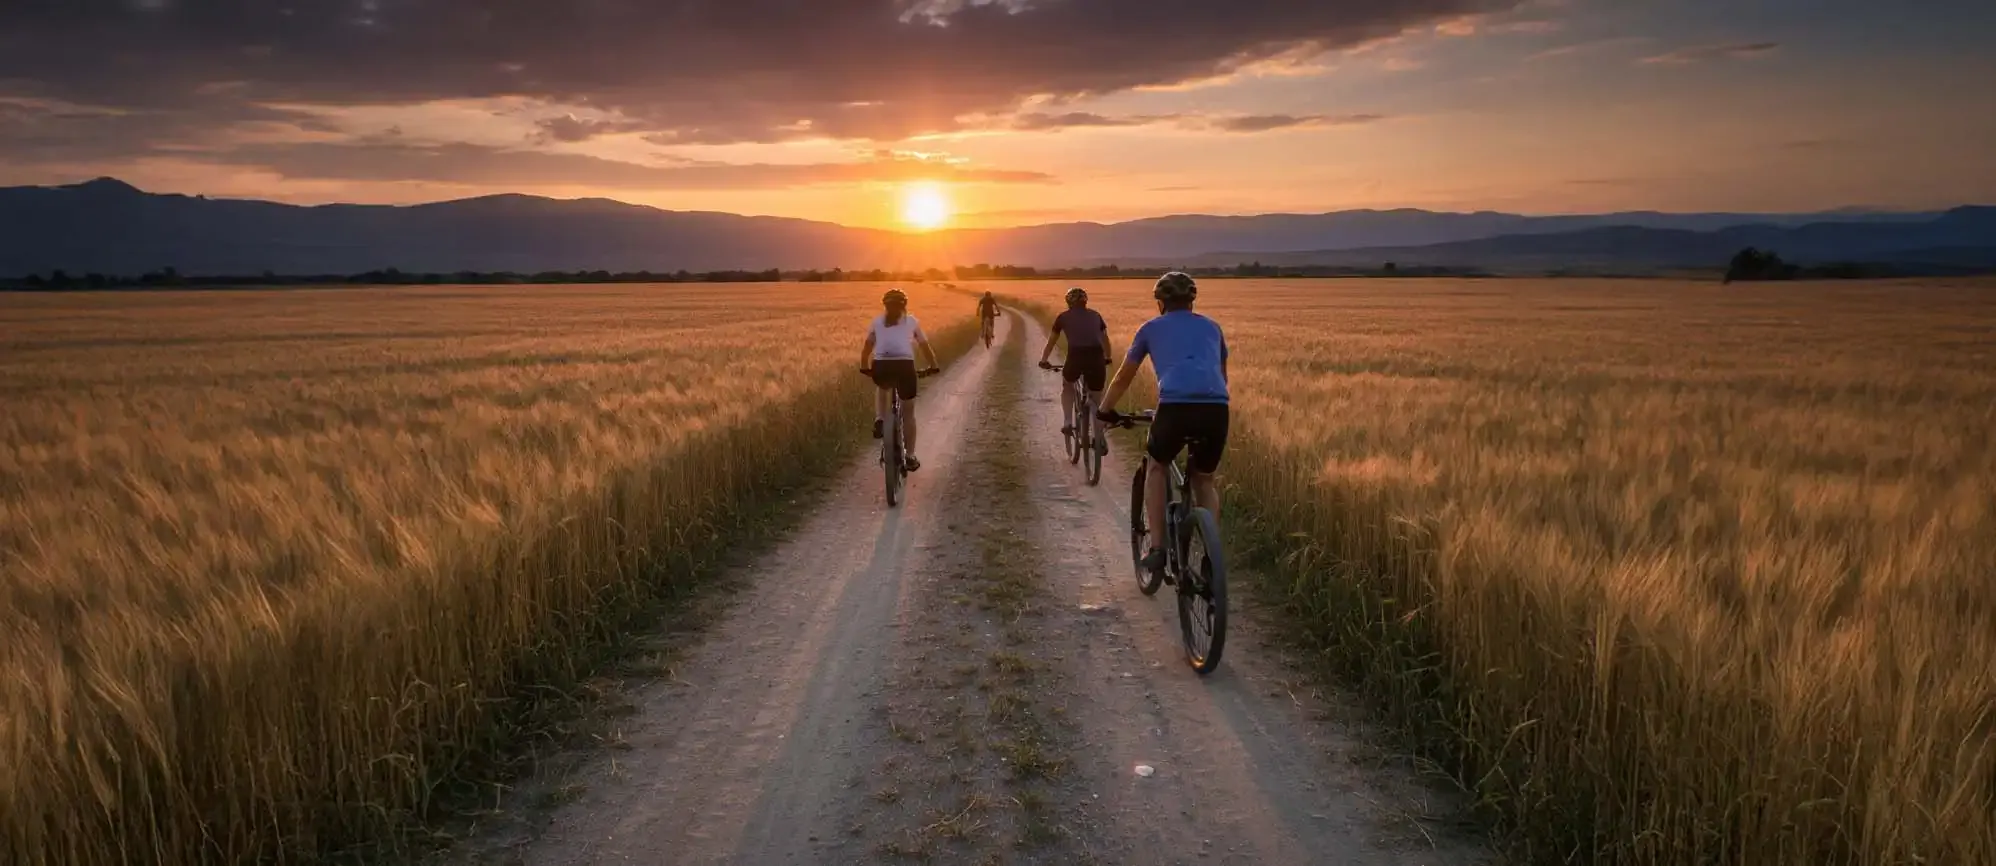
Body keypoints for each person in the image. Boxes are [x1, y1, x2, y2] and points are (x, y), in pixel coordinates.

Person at [1097, 272, 1228, 578]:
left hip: (1175, 407)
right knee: (1204, 479)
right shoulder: (1213, 328)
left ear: (1160, 303)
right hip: (1217, 409)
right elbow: (1222, 378)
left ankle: (1156, 548)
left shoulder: (1150, 328)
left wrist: (1106, 410)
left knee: (1157, 465)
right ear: (1192, 301)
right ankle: (1212, 558)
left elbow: (1124, 376)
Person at [861, 288, 942, 471]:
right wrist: (934, 366)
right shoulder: (911, 321)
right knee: (908, 412)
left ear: (885, 306)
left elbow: (867, 347)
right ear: (904, 306)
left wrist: (864, 366)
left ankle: (880, 418)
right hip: (905, 367)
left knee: (882, 386)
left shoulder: (877, 322)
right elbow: (925, 346)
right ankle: (910, 455)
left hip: (881, 365)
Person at [1037, 287, 1112, 446]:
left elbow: (1052, 341)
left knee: (1068, 384)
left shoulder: (1063, 317)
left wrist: (1044, 359)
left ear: (1068, 303)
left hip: (1076, 356)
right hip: (1096, 356)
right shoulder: (1096, 315)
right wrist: (1108, 357)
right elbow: (1105, 339)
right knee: (1096, 396)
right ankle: (1099, 436)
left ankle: (1067, 422)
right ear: (1085, 302)